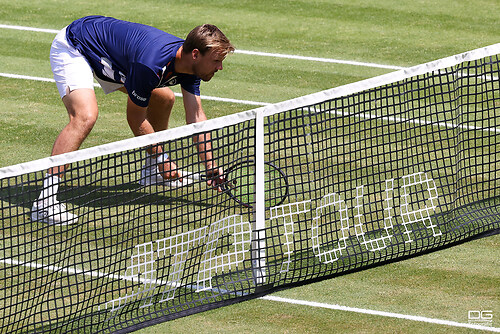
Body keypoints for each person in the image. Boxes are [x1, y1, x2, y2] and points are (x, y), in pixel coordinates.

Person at [31, 15, 235, 225]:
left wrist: (210, 167)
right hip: (76, 45)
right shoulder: (151, 65)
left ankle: (151, 171)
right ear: (195, 54)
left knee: (164, 98)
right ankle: (44, 202)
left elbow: (197, 117)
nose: (219, 67)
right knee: (85, 116)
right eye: (216, 61)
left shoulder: (191, 65)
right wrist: (162, 158)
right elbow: (135, 119)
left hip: (114, 55)